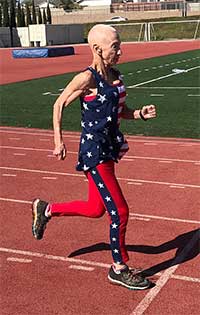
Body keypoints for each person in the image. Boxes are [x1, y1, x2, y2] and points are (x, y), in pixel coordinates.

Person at [32, 24, 156, 290]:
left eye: (119, 45)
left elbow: (118, 111)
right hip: (95, 153)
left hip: (109, 148)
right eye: (115, 47)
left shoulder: (115, 75)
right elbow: (58, 103)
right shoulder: (86, 79)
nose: (120, 51)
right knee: (120, 212)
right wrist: (58, 141)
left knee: (95, 208)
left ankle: (47, 209)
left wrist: (139, 114)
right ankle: (118, 268)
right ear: (97, 49)